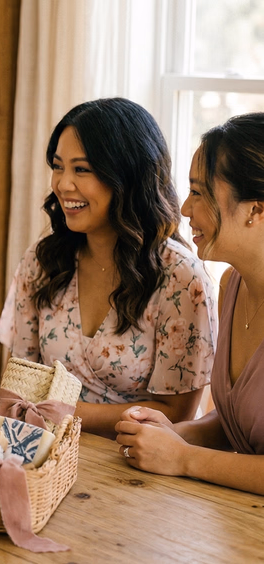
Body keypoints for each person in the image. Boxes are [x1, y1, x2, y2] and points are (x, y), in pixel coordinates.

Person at [0, 98, 217, 438]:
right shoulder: (41, 262)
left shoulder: (181, 279)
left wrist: (66, 412)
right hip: (42, 454)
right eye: (58, 166)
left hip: (137, 465)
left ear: (128, 176)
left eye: (82, 169)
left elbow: (175, 414)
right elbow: (19, 381)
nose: (63, 184)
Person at [116, 113, 264, 495]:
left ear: (256, 210)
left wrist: (183, 458)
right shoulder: (233, 285)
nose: (184, 209)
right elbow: (241, 423)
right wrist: (170, 435)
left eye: (199, 192)